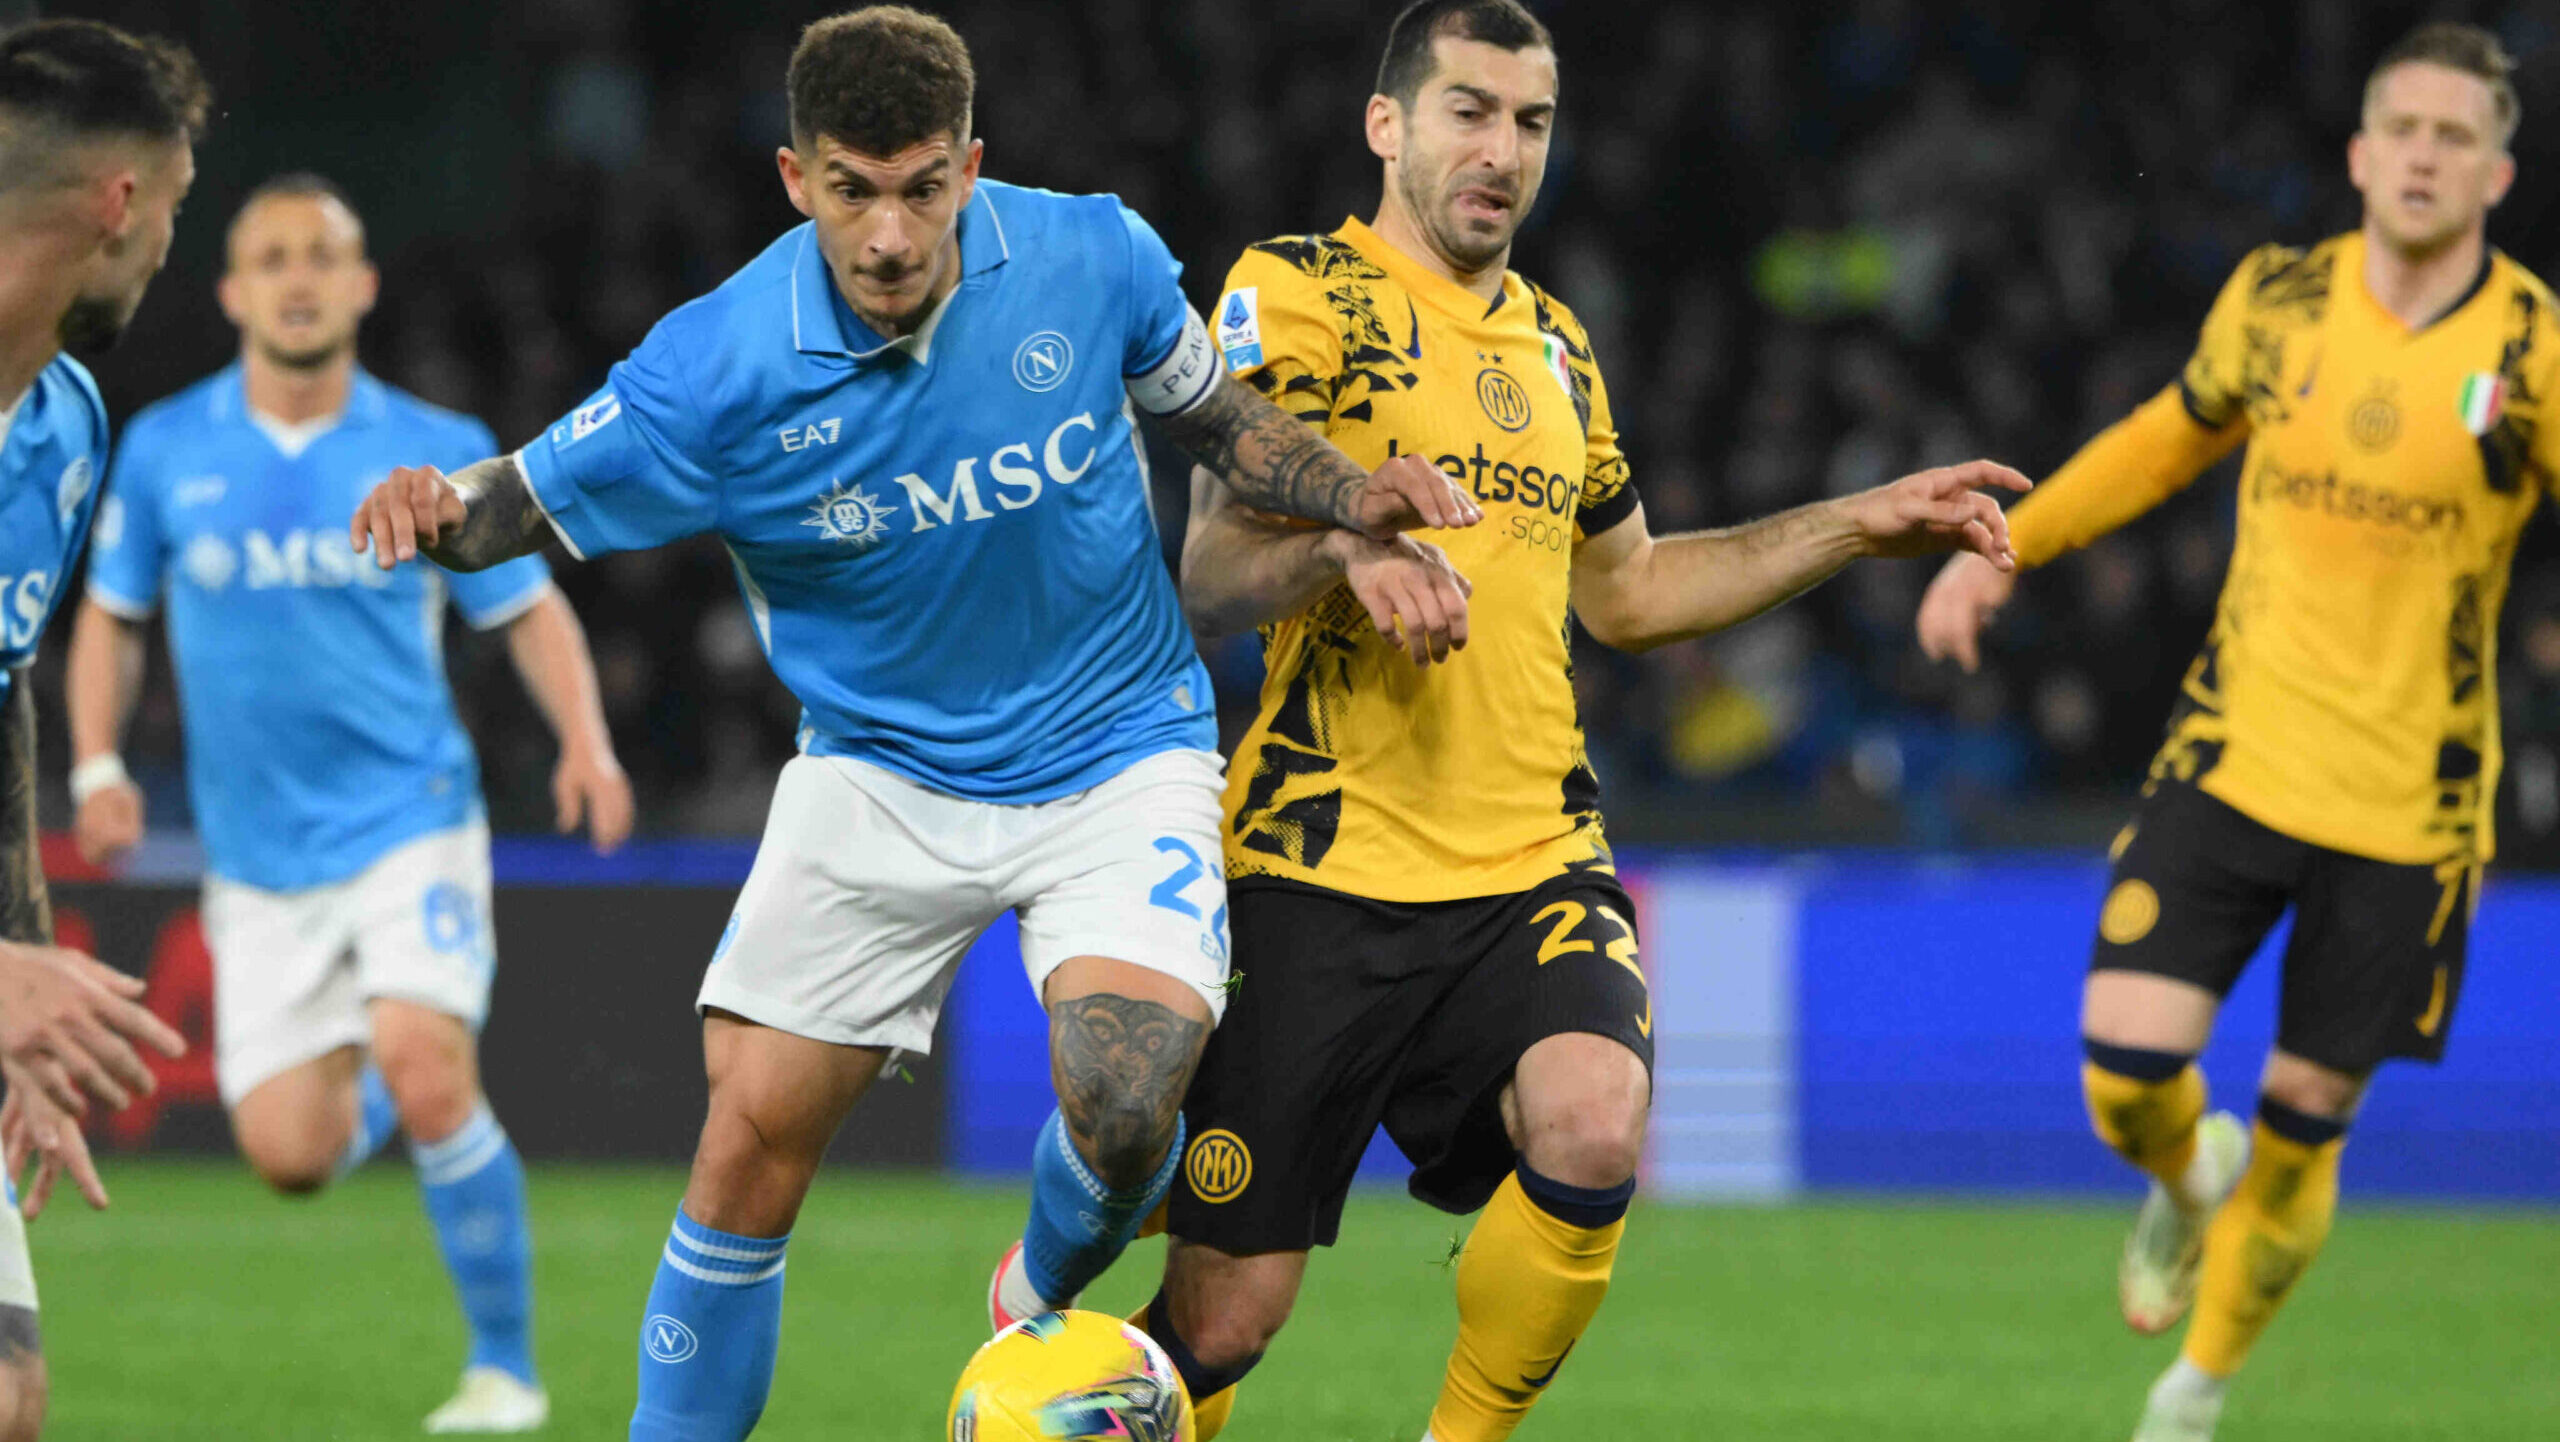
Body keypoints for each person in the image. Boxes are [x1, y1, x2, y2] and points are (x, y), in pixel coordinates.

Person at [345, 8, 1481, 1438]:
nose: (890, 233)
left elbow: (1219, 418)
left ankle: (1036, 1296)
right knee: (748, 1141)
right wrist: (438, 514)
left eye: (924, 185)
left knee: (1130, 1097)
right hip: (880, 771)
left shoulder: (1090, 256)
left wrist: (1345, 490)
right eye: (852, 188)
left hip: (1117, 747)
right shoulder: (721, 366)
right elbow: (514, 497)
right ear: (794, 178)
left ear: (971, 165)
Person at [1147, 5, 2029, 1440]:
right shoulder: (1294, 293)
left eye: (1533, 122)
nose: (1503, 152)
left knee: (1596, 1117)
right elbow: (1209, 572)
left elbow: (1628, 589)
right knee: (1224, 1324)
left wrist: (1857, 528)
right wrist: (1344, 550)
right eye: (1470, 112)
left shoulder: (1558, 347)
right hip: (1322, 867)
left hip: (1529, 863)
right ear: (1389, 125)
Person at [1915, 23, 2551, 1442]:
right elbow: (2161, 438)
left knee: (2310, 1106)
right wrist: (2002, 545)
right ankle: (2188, 1179)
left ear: (2498, 172)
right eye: (2406, 128)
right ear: (2361, 154)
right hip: (2238, 755)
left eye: (2458, 136)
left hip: (2412, 804)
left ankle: (2192, 1392)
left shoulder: (2535, 350)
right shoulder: (2279, 304)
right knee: (2124, 1071)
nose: (2428, 155)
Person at [66, 172, 632, 1433]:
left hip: (410, 820)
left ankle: (504, 1372)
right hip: (258, 858)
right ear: (231, 290)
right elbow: (110, 620)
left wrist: (585, 741)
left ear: (364, 283)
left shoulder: (426, 447)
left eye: (323, 253)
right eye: (272, 257)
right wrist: (97, 764)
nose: (300, 276)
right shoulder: (163, 447)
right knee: (291, 1155)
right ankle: (381, 1070)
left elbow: (525, 606)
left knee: (433, 1072)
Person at [0, 17, 207, 1440]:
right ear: (120, 203)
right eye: (179, 211)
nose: (168, 252)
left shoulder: (62, 429)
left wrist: (20, 970)